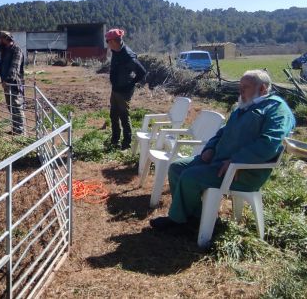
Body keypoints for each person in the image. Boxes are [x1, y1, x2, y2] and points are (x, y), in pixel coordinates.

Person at [150, 69, 295, 231]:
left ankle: (178, 221)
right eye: (240, 86)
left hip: (243, 171)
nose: (240, 91)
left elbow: (270, 143)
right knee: (177, 167)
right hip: (219, 162)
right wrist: (210, 148)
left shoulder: (277, 110)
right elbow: (222, 132)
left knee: (190, 177)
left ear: (262, 89)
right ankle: (194, 217)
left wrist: (237, 160)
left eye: (245, 87)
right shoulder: (244, 106)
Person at [106, 28, 147, 150]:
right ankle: (115, 140)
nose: (107, 43)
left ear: (114, 41)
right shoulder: (116, 51)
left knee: (124, 116)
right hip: (116, 89)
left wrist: (131, 84)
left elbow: (142, 72)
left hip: (124, 91)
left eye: (108, 41)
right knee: (113, 115)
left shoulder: (128, 56)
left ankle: (127, 143)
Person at [0, 31, 26, 135]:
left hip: (14, 84)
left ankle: (21, 133)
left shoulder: (16, 50)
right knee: (11, 107)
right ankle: (15, 130)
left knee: (17, 107)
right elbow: (0, 67)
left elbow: (15, 67)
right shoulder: (5, 51)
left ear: (5, 38)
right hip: (6, 84)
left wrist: (7, 81)